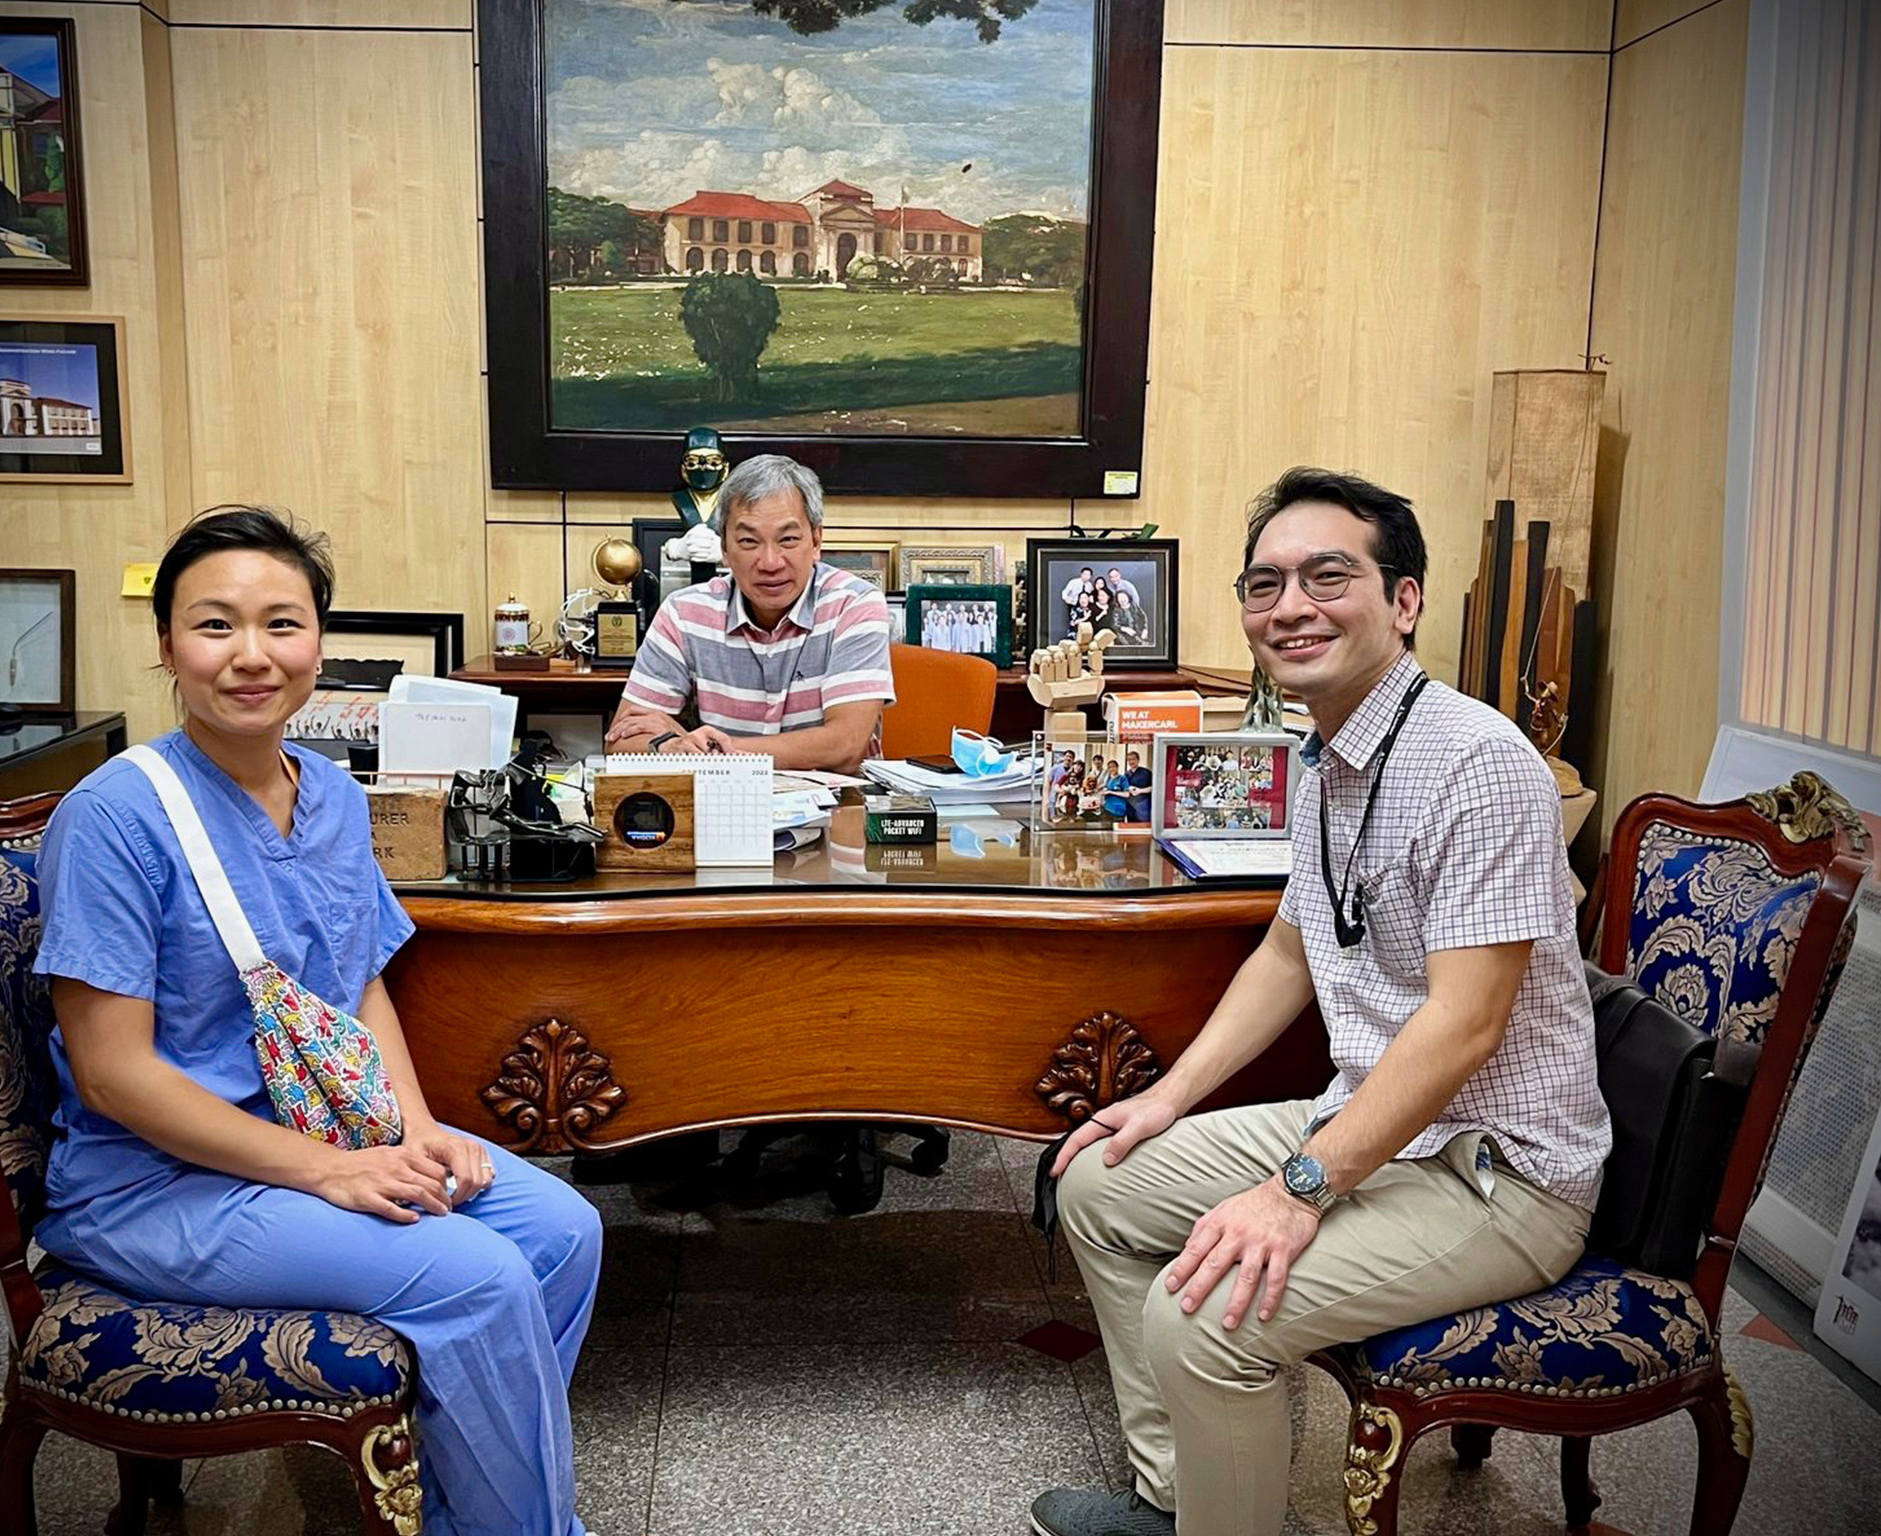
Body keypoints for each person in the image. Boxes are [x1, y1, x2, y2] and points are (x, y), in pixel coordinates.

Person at [1030, 466, 1607, 1536]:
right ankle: (1186, 1504)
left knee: (1201, 1318)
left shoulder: (1478, 763)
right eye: (1263, 584)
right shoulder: (1328, 753)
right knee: (1100, 1187)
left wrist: (1297, 1190)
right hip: (1370, 1120)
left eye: (1325, 576)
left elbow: (1466, 1021)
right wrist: (1167, 1097)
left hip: (1496, 1175)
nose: (1287, 606)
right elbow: (1287, 952)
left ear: (1402, 601)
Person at [32, 506, 603, 1536]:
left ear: (319, 643)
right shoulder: (115, 818)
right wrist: (331, 1171)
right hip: (159, 1183)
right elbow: (115, 1075)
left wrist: (414, 1128)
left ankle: (460, 1501)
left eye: (281, 624)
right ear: (166, 644)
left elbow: (355, 987)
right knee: (476, 1279)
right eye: (215, 626)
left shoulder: (334, 793)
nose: (251, 656)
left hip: (316, 1130)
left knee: (563, 1230)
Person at [607, 454, 895, 773]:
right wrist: (671, 746)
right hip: (726, 810)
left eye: (787, 539)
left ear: (816, 541)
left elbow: (844, 747)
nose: (770, 562)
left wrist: (701, 750)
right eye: (748, 541)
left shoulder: (853, 604)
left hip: (840, 816)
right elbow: (621, 741)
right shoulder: (684, 613)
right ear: (725, 550)